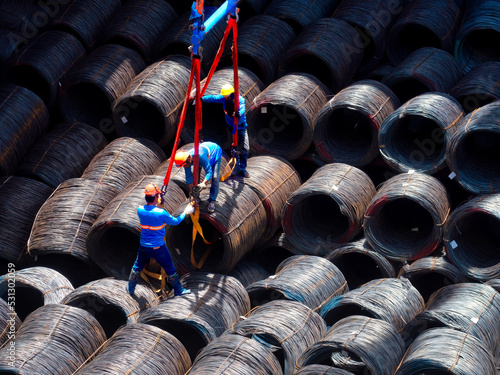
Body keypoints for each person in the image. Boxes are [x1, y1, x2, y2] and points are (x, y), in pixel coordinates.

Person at [127, 183, 194, 296]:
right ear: (156, 197)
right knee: (170, 268)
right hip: (158, 248)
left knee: (137, 266)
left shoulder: (140, 210)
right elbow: (175, 221)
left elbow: (152, 212)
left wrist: (159, 200)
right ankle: (179, 290)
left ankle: (130, 288)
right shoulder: (161, 213)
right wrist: (186, 212)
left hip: (144, 246)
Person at [200, 84, 250, 178]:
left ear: (231, 94)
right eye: (224, 96)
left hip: (241, 127)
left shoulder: (239, 100)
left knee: (245, 148)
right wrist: (201, 98)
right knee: (233, 149)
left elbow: (242, 108)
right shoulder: (223, 98)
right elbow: (213, 98)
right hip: (231, 127)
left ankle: (242, 168)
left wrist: (239, 113)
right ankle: (236, 167)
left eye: (226, 96)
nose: (225, 98)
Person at [174, 141, 223, 213]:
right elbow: (189, 177)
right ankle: (196, 197)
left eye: (184, 165)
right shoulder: (185, 161)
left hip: (214, 152)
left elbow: (209, 172)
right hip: (200, 156)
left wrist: (204, 183)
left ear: (188, 160)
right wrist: (191, 193)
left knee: (215, 177)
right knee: (195, 176)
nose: (184, 167)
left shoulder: (200, 156)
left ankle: (212, 201)